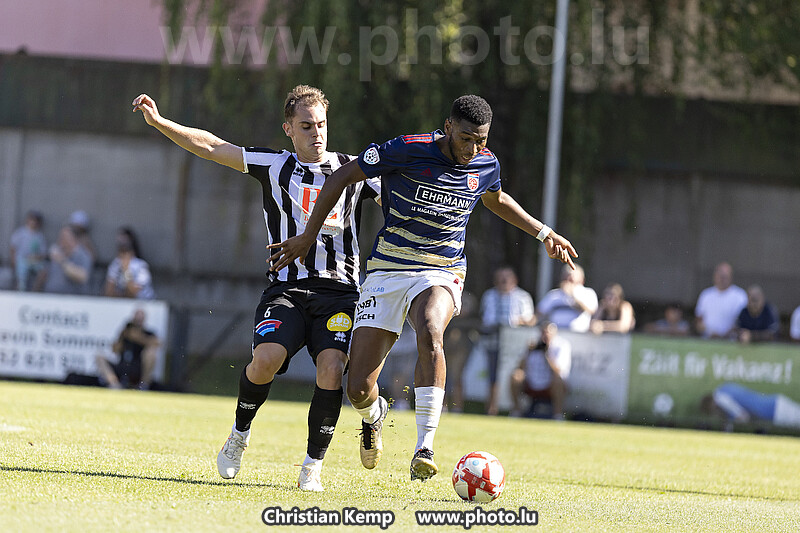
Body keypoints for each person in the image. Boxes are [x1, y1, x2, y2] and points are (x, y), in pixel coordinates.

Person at [268, 94, 577, 481]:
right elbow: (341, 177)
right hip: (388, 269)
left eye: (480, 141)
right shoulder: (406, 149)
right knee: (358, 387)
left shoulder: (486, 163)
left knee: (431, 326)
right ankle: (374, 414)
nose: (472, 149)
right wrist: (308, 236)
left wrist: (544, 232)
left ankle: (424, 446)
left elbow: (495, 198)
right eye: (465, 139)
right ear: (448, 128)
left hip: (442, 269)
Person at [132, 85, 380, 492]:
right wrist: (160, 122)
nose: (316, 133)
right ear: (288, 129)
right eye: (306, 126)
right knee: (264, 359)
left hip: (340, 292)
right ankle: (239, 435)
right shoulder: (273, 165)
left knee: (332, 369)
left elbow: (401, 197)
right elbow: (212, 147)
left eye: (321, 125)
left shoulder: (351, 170)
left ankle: (312, 466)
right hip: (286, 290)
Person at [480, 267, 536, 415]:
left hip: (514, 343)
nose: (504, 280)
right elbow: (485, 317)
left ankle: (515, 408)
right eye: (501, 277)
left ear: (514, 280)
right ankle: (492, 408)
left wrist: (519, 321)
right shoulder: (489, 295)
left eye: (507, 277)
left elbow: (530, 320)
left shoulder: (522, 297)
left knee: (513, 374)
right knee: (493, 375)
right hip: (493, 339)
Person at [509, 322, 571, 420]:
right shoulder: (534, 345)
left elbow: (559, 371)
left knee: (558, 380)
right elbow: (520, 367)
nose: (545, 335)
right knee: (516, 376)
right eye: (543, 332)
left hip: (551, 384)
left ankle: (558, 415)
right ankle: (517, 411)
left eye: (548, 332)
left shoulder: (561, 345)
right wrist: (528, 351)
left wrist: (546, 355)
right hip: (532, 382)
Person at [95, 309, 160, 389]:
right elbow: (115, 350)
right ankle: (114, 384)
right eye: (137, 318)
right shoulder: (126, 332)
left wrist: (138, 338)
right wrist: (122, 336)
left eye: (140, 318)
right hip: (123, 366)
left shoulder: (148, 333)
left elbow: (157, 344)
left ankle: (143, 385)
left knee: (151, 354)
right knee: (99, 357)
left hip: (138, 368)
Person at [701, 382, 800, 431]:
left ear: (712, 405)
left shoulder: (721, 398)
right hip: (776, 406)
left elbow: (742, 417)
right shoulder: (723, 389)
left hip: (777, 411)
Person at [536, 264, 598, 332]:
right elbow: (540, 312)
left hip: (579, 334)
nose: (567, 280)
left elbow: (591, 311)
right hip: (557, 334)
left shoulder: (588, 293)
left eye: (571, 278)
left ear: (581, 280)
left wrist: (573, 295)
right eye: (565, 277)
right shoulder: (553, 294)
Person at [694, 262, 747, 339]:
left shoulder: (740, 296)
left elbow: (742, 321)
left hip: (730, 341)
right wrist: (708, 331)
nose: (722, 279)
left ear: (731, 277)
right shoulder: (706, 295)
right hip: (707, 340)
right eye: (720, 276)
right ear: (714, 276)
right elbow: (699, 318)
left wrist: (724, 335)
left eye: (725, 276)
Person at [35, 225, 92, 295]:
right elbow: (43, 274)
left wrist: (62, 261)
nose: (61, 240)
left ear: (74, 239)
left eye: (64, 237)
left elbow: (83, 277)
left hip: (72, 298)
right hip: (50, 296)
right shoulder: (56, 253)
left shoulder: (82, 255)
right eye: (61, 237)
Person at [104, 227, 155, 299]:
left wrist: (126, 270)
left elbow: (133, 293)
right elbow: (108, 293)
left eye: (126, 250)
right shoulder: (115, 265)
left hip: (144, 303)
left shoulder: (141, 266)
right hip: (123, 303)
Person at [9, 210, 47, 291]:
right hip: (21, 259)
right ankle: (21, 291)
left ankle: (35, 291)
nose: (33, 222)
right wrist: (13, 261)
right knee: (21, 274)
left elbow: (43, 253)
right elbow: (13, 247)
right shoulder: (20, 233)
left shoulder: (39, 236)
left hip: (34, 260)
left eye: (36, 220)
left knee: (43, 271)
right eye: (32, 219)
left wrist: (35, 257)